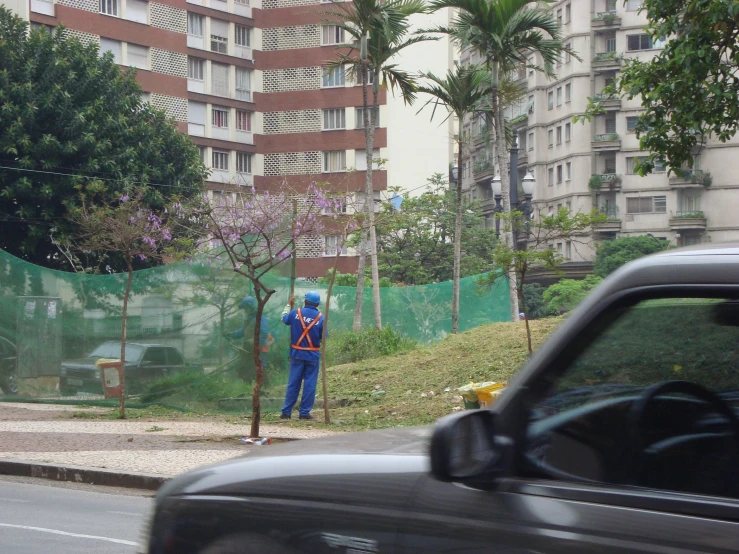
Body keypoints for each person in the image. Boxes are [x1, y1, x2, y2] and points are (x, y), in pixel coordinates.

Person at [280, 291, 324, 421]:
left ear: (305, 301)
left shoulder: (295, 313)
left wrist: (289, 305)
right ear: (317, 304)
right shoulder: (321, 317)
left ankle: (286, 412)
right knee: (310, 384)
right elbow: (323, 337)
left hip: (297, 354)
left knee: (293, 383)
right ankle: (304, 413)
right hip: (313, 355)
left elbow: (284, 319)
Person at [227, 296, 271, 382]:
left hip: (260, 346)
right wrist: (232, 335)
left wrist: (255, 342)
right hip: (250, 347)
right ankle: (248, 386)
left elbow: (264, 333)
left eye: (245, 308)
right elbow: (243, 331)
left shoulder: (260, 317)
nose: (245, 311)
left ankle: (266, 386)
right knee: (245, 367)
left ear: (250, 307)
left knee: (260, 366)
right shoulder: (250, 319)